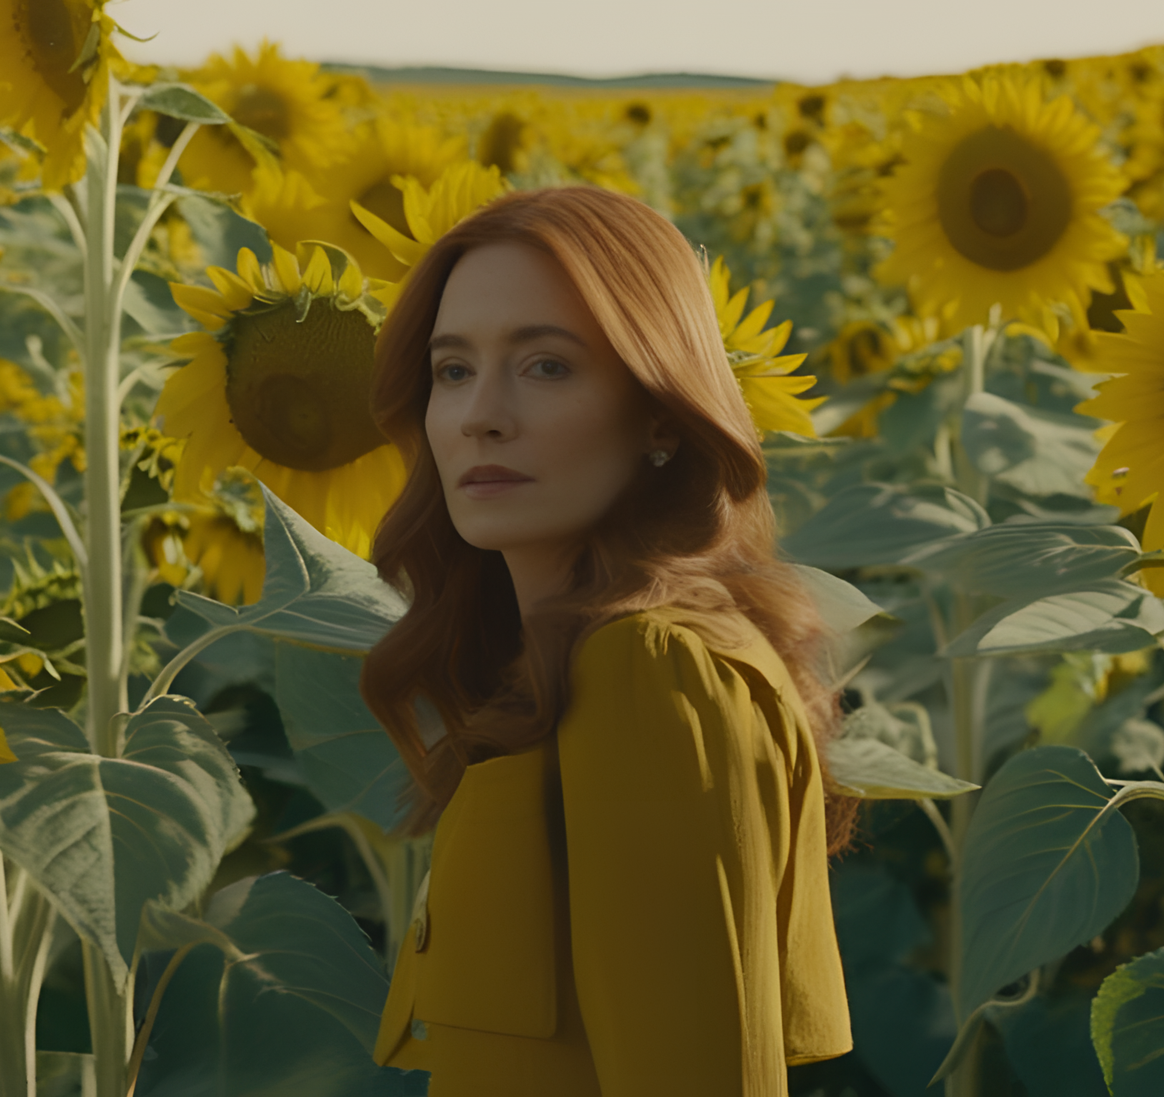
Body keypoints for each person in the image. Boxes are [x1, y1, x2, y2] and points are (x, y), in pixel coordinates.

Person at [360, 184, 857, 1096]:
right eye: (452, 370)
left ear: (661, 413)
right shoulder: (582, 657)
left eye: (545, 366)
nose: (481, 415)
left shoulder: (654, 673)